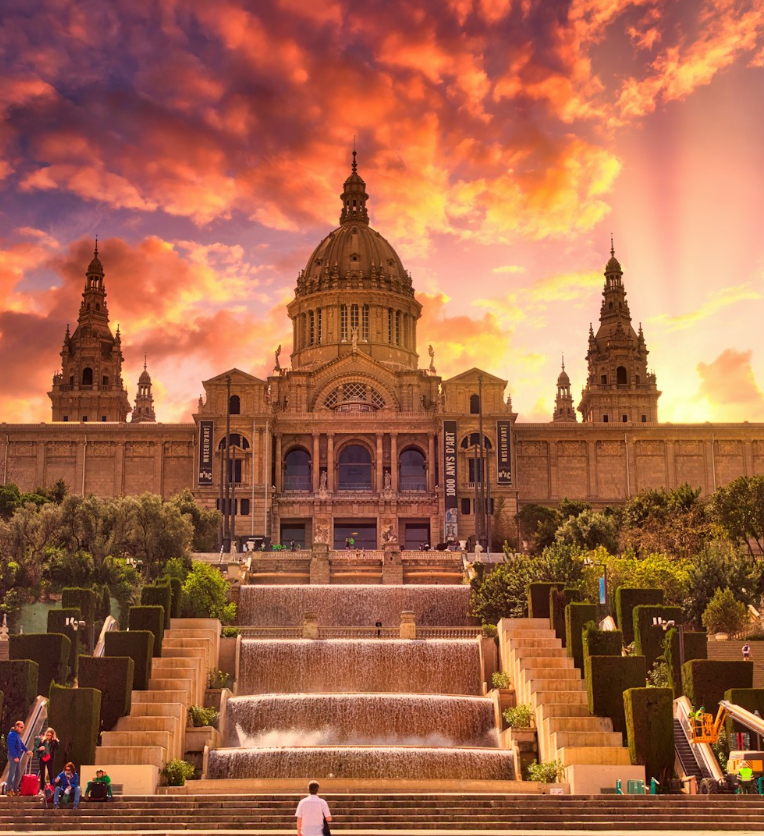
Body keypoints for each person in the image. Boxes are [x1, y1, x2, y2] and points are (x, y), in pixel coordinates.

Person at [6, 720, 28, 796]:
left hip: (17, 756)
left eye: (23, 727)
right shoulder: (12, 734)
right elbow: (11, 747)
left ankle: (15, 789)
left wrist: (26, 750)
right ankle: (8, 789)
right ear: (16, 726)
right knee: (11, 772)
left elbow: (21, 744)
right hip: (13, 756)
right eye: (21, 727)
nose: (22, 729)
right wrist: (15, 756)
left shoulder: (16, 735)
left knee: (18, 773)